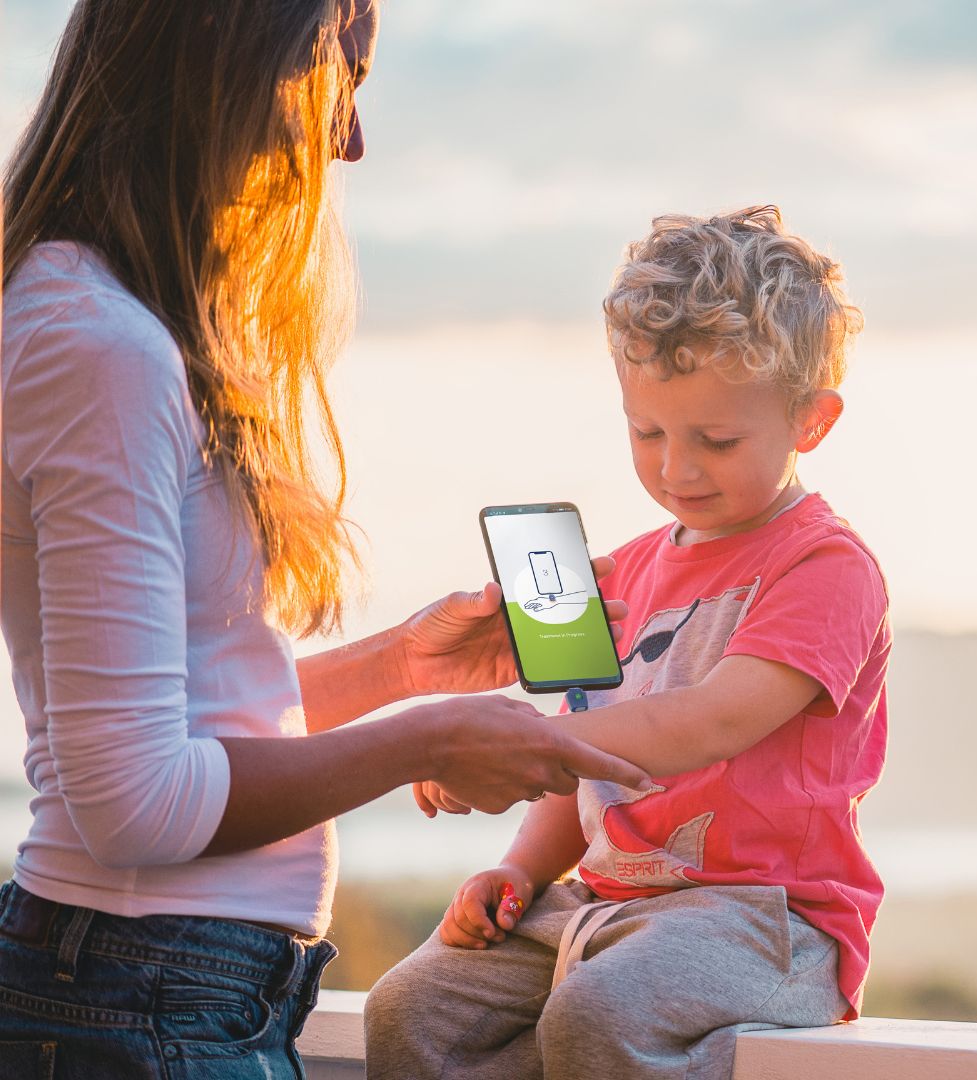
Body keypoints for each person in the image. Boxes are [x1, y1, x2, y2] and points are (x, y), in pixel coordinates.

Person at [0, 2, 651, 1075]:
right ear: (230, 54)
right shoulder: (98, 345)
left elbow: (191, 718)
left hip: (166, 992)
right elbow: (133, 801)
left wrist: (404, 668)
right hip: (140, 996)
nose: (349, 140)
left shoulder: (113, 322)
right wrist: (429, 742)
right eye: (338, 76)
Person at [364, 206, 891, 1080]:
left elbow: (712, 722)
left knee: (599, 1011)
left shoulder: (824, 565)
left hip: (767, 921)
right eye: (647, 432)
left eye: (716, 440)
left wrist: (508, 743)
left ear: (812, 421)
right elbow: (585, 763)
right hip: (600, 904)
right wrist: (520, 870)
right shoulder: (627, 570)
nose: (676, 468)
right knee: (413, 1008)